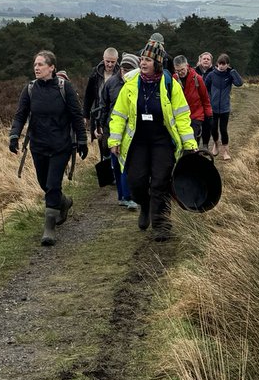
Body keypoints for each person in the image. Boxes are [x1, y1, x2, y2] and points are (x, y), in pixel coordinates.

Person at [107, 39, 196, 240]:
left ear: (157, 63)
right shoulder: (130, 85)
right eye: (142, 59)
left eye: (147, 59)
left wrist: (190, 144)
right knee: (135, 181)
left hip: (162, 141)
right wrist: (114, 140)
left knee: (161, 181)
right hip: (137, 142)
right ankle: (145, 205)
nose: (143, 63)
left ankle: (161, 224)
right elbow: (119, 115)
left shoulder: (170, 85)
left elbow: (182, 116)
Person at [9, 51, 87, 246]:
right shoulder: (29, 89)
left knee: (52, 184)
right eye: (35, 64)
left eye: (41, 64)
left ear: (51, 67)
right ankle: (64, 202)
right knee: (44, 184)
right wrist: (14, 135)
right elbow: (20, 115)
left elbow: (76, 115)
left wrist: (83, 140)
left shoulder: (64, 87)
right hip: (38, 146)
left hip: (61, 146)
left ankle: (49, 228)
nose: (36, 68)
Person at [98, 52, 139, 209]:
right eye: (123, 68)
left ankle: (130, 197)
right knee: (115, 164)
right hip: (112, 129)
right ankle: (122, 196)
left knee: (127, 163)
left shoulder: (138, 85)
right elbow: (104, 106)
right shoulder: (111, 84)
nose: (125, 72)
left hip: (131, 130)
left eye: (129, 69)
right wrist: (100, 126)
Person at [203, 53, 243, 161]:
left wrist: (233, 71)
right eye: (220, 64)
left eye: (224, 64)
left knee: (223, 130)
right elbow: (204, 89)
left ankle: (226, 152)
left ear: (227, 65)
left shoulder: (229, 75)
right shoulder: (211, 75)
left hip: (225, 108)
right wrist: (208, 101)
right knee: (214, 129)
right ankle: (216, 144)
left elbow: (239, 83)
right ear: (217, 63)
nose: (221, 66)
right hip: (213, 108)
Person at [83, 47, 119, 162]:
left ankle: (114, 171)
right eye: (107, 61)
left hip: (115, 113)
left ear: (117, 60)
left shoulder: (120, 73)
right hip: (99, 113)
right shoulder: (95, 73)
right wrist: (86, 116)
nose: (109, 64)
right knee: (102, 144)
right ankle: (105, 173)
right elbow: (89, 95)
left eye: (112, 62)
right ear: (103, 59)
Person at [173, 55, 213, 151]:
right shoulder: (173, 79)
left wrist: (209, 115)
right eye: (177, 70)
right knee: (179, 143)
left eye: (182, 69)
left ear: (187, 66)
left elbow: (205, 99)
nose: (180, 73)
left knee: (191, 143)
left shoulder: (197, 79)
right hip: (180, 117)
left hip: (195, 116)